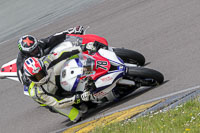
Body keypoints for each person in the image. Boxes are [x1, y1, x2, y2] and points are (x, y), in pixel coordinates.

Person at [24, 41, 107, 122]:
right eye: (36, 77)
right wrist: (79, 97)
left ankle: (94, 70)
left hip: (53, 79)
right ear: (31, 78)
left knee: (70, 59)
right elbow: (58, 102)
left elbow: (63, 53)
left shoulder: (46, 62)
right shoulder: (36, 92)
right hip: (52, 99)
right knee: (77, 115)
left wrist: (83, 47)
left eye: (41, 73)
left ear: (43, 67)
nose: (40, 77)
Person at [17, 26, 85, 86]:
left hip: (46, 62)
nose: (36, 51)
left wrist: (72, 31)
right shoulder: (21, 60)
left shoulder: (39, 44)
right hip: (41, 77)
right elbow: (22, 80)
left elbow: (53, 38)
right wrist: (32, 76)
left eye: (36, 48)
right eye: (33, 51)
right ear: (26, 53)